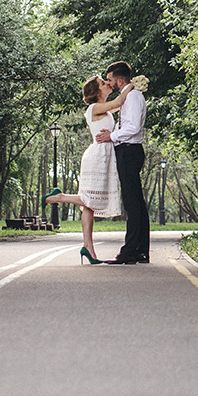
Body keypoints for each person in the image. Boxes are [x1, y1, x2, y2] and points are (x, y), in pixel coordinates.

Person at [43, 75, 133, 264]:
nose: (108, 84)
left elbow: (121, 105)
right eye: (103, 83)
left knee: (88, 206)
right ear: (96, 91)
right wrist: (134, 84)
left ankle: (88, 248)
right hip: (97, 157)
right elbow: (119, 100)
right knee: (90, 200)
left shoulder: (105, 109)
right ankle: (58, 197)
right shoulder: (94, 108)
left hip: (104, 157)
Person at [95, 60, 150, 264]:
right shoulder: (128, 97)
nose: (109, 83)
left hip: (129, 151)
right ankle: (140, 251)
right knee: (136, 202)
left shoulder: (133, 97)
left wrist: (112, 136)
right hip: (127, 150)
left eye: (110, 80)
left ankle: (130, 250)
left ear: (119, 80)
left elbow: (133, 127)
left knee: (132, 202)